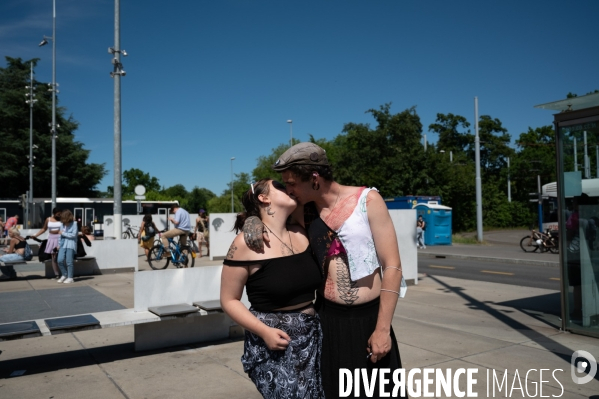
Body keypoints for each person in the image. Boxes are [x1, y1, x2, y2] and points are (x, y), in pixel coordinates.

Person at [243, 142, 405, 399]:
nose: (289, 189)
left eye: (293, 183)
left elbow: (393, 266)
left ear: (315, 179)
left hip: (370, 321)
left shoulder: (368, 201)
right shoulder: (304, 210)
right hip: (327, 323)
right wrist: (252, 221)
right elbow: (265, 212)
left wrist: (383, 329)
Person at [221, 179, 325, 399]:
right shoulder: (244, 243)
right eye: (279, 185)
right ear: (263, 197)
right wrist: (264, 332)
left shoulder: (302, 231)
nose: (288, 187)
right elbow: (229, 300)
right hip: (275, 343)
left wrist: (252, 218)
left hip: (313, 337)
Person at [32, 208, 63, 279]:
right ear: (54, 213)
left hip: (60, 238)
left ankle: (64, 273)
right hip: (51, 239)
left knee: (61, 257)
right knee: (54, 257)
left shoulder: (62, 219)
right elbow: (44, 229)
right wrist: (36, 235)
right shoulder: (48, 219)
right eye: (58, 214)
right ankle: (57, 274)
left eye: (60, 214)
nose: (59, 215)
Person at [57, 210, 78, 284]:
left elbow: (74, 235)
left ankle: (70, 277)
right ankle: (64, 274)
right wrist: (58, 244)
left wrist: (63, 233)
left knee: (69, 261)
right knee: (59, 260)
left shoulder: (74, 224)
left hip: (70, 244)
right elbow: (60, 235)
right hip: (63, 244)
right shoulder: (61, 224)